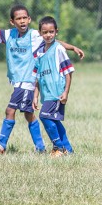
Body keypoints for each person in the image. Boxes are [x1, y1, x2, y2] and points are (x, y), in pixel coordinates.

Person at [0, 5, 84, 154]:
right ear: (12, 21)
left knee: (10, 110)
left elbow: (55, 42)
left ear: (29, 19)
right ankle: (40, 147)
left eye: (25, 18)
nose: (22, 21)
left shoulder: (35, 35)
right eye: (18, 18)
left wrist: (72, 47)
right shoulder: (9, 35)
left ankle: (0, 147)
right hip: (20, 82)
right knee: (28, 114)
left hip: (28, 81)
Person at [32, 16, 75, 158]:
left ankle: (58, 147)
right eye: (45, 32)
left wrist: (66, 92)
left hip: (56, 92)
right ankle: (67, 148)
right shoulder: (39, 53)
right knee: (54, 120)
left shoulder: (59, 49)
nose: (48, 35)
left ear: (56, 32)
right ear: (40, 33)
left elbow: (68, 72)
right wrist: (35, 96)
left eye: (51, 32)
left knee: (44, 116)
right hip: (46, 94)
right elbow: (37, 77)